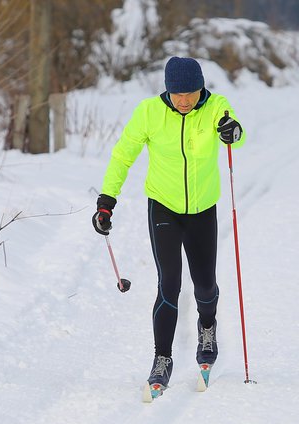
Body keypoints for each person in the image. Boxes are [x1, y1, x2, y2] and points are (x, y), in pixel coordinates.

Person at [92, 56, 245, 393]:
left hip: (203, 208)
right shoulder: (149, 112)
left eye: (191, 93)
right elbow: (123, 155)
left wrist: (232, 132)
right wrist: (107, 202)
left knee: (205, 285)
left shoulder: (216, 105)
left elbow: (236, 134)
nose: (185, 100)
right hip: (163, 208)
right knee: (169, 284)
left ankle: (207, 327)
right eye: (178, 94)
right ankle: (162, 358)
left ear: (201, 87)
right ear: (167, 90)